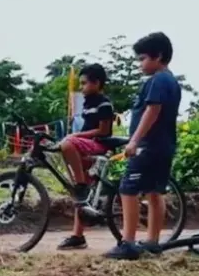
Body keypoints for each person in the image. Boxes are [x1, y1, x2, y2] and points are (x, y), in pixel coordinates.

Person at [106, 32, 181, 260]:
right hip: (164, 146)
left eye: (142, 59)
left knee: (128, 189)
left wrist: (134, 141)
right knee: (154, 191)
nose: (140, 64)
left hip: (148, 147)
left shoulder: (157, 80)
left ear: (158, 56)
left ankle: (127, 242)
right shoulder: (172, 81)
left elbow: (152, 110)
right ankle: (152, 241)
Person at [57, 63, 115, 250]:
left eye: (84, 84)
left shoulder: (104, 104)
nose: (81, 88)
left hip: (99, 145)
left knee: (67, 144)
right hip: (88, 145)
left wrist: (76, 136)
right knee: (81, 198)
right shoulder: (89, 103)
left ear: (96, 83)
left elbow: (103, 130)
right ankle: (78, 236)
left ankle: (80, 184)